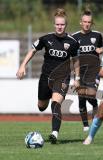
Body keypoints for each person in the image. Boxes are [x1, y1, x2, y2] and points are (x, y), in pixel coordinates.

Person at [16, 8, 79, 144]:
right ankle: (44, 105)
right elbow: (32, 50)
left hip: (62, 78)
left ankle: (54, 134)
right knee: (41, 106)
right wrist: (22, 66)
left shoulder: (72, 42)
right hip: (45, 78)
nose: (59, 27)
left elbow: (76, 61)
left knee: (55, 104)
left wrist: (77, 78)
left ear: (65, 25)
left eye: (62, 24)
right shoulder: (46, 38)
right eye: (57, 24)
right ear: (54, 25)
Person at [72, 10, 103, 132]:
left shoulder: (97, 35)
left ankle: (95, 107)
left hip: (94, 71)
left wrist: (101, 50)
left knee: (91, 94)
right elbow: (74, 57)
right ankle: (86, 126)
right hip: (80, 72)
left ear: (92, 23)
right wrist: (76, 77)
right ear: (81, 22)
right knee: (81, 97)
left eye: (89, 22)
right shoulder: (74, 37)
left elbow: (100, 48)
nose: (86, 24)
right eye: (84, 21)